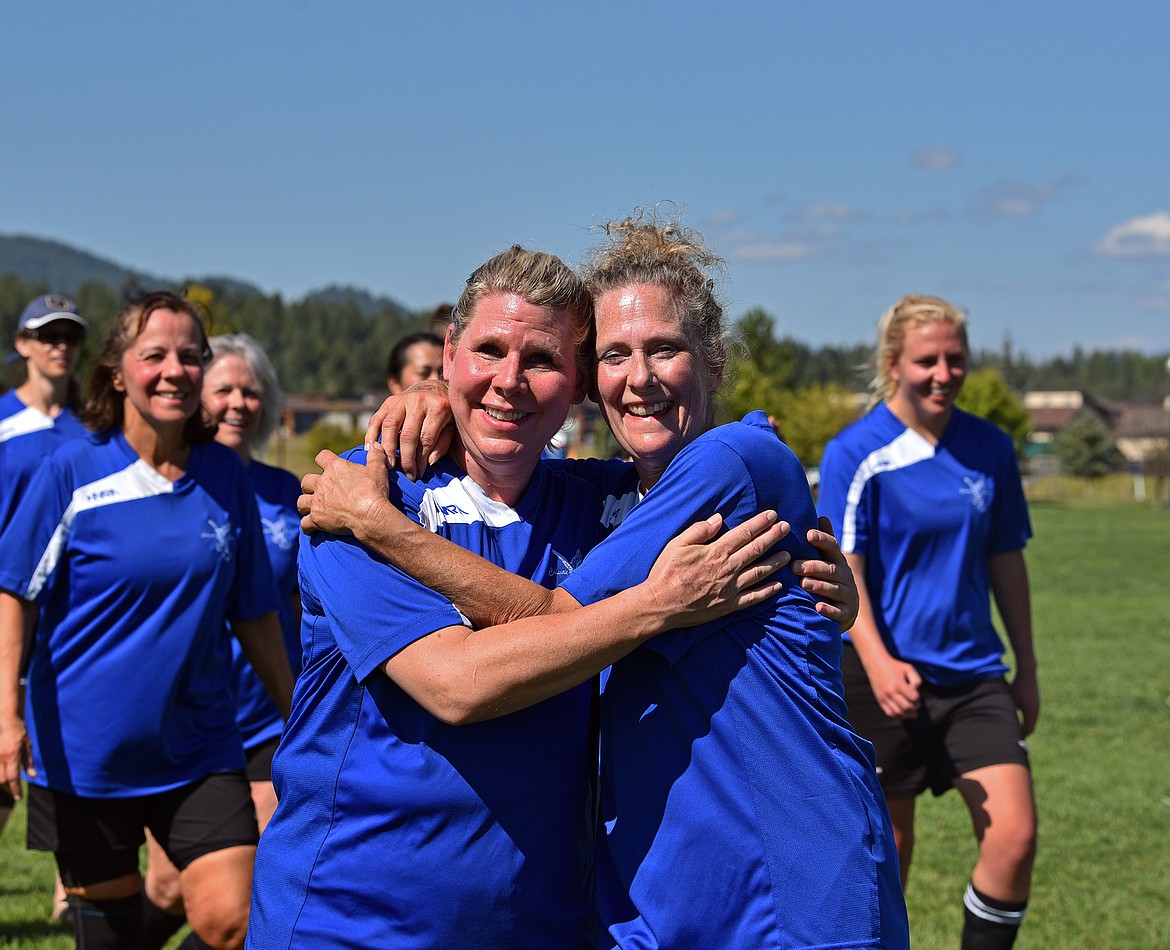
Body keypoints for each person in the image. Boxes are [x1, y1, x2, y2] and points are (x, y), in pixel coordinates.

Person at [301, 213, 908, 949]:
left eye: (666, 349)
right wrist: (413, 432)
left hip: (783, 899)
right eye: (617, 354)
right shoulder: (373, 491)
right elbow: (456, 683)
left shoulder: (709, 471)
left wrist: (383, 527)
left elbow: (561, 611)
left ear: (713, 364)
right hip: (378, 920)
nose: (640, 377)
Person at [0, 291, 295, 950]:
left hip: (198, 747)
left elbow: (255, 611)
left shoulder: (223, 475)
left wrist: (294, 715)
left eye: (190, 357)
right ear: (115, 371)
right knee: (112, 941)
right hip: (85, 752)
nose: (175, 370)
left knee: (236, 919)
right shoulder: (70, 471)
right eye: (154, 355)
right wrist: (6, 717)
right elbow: (14, 594)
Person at [817, 294, 1038, 950]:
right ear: (893, 365)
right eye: (927, 360)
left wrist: (1027, 667)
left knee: (1015, 836)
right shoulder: (855, 452)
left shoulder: (990, 448)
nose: (944, 373)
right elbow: (842, 571)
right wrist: (881, 666)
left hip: (973, 676)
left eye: (956, 359)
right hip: (880, 674)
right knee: (890, 861)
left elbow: (1007, 560)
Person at [142, 332, 304, 947]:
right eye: (224, 390)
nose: (238, 403)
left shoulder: (290, 490)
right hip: (189, 717)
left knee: (247, 901)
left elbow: (296, 604)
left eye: (251, 391)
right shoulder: (164, 486)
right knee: (166, 890)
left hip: (268, 713)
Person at [0, 294, 90, 915]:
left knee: (64, 746)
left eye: (70, 336)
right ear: (23, 345)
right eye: (47, 335)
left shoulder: (94, 429)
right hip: (9, 607)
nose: (60, 346)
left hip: (68, 621)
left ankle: (74, 893)